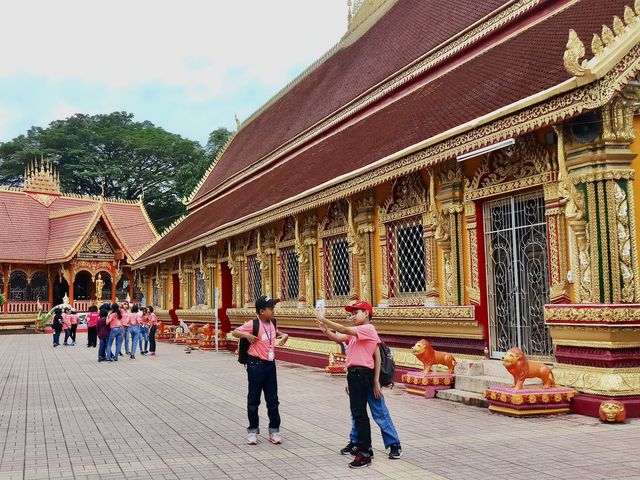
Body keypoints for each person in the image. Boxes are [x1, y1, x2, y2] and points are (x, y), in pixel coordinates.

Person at [316, 300, 383, 469]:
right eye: (351, 313)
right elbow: (338, 337)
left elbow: (344, 330)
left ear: (366, 314)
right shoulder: (356, 334)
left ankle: (365, 452)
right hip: (354, 374)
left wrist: (324, 320)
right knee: (358, 413)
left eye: (356, 312)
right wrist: (326, 330)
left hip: (361, 374)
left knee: (360, 414)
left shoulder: (368, 329)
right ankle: (364, 447)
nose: (352, 316)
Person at [232, 296, 289, 445]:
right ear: (262, 311)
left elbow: (273, 333)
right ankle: (252, 431)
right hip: (255, 365)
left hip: (270, 365)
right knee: (253, 400)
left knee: (273, 400)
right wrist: (247, 335)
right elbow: (235, 332)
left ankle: (274, 430)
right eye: (271, 308)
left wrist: (283, 335)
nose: (273, 311)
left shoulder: (273, 322)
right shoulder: (253, 324)